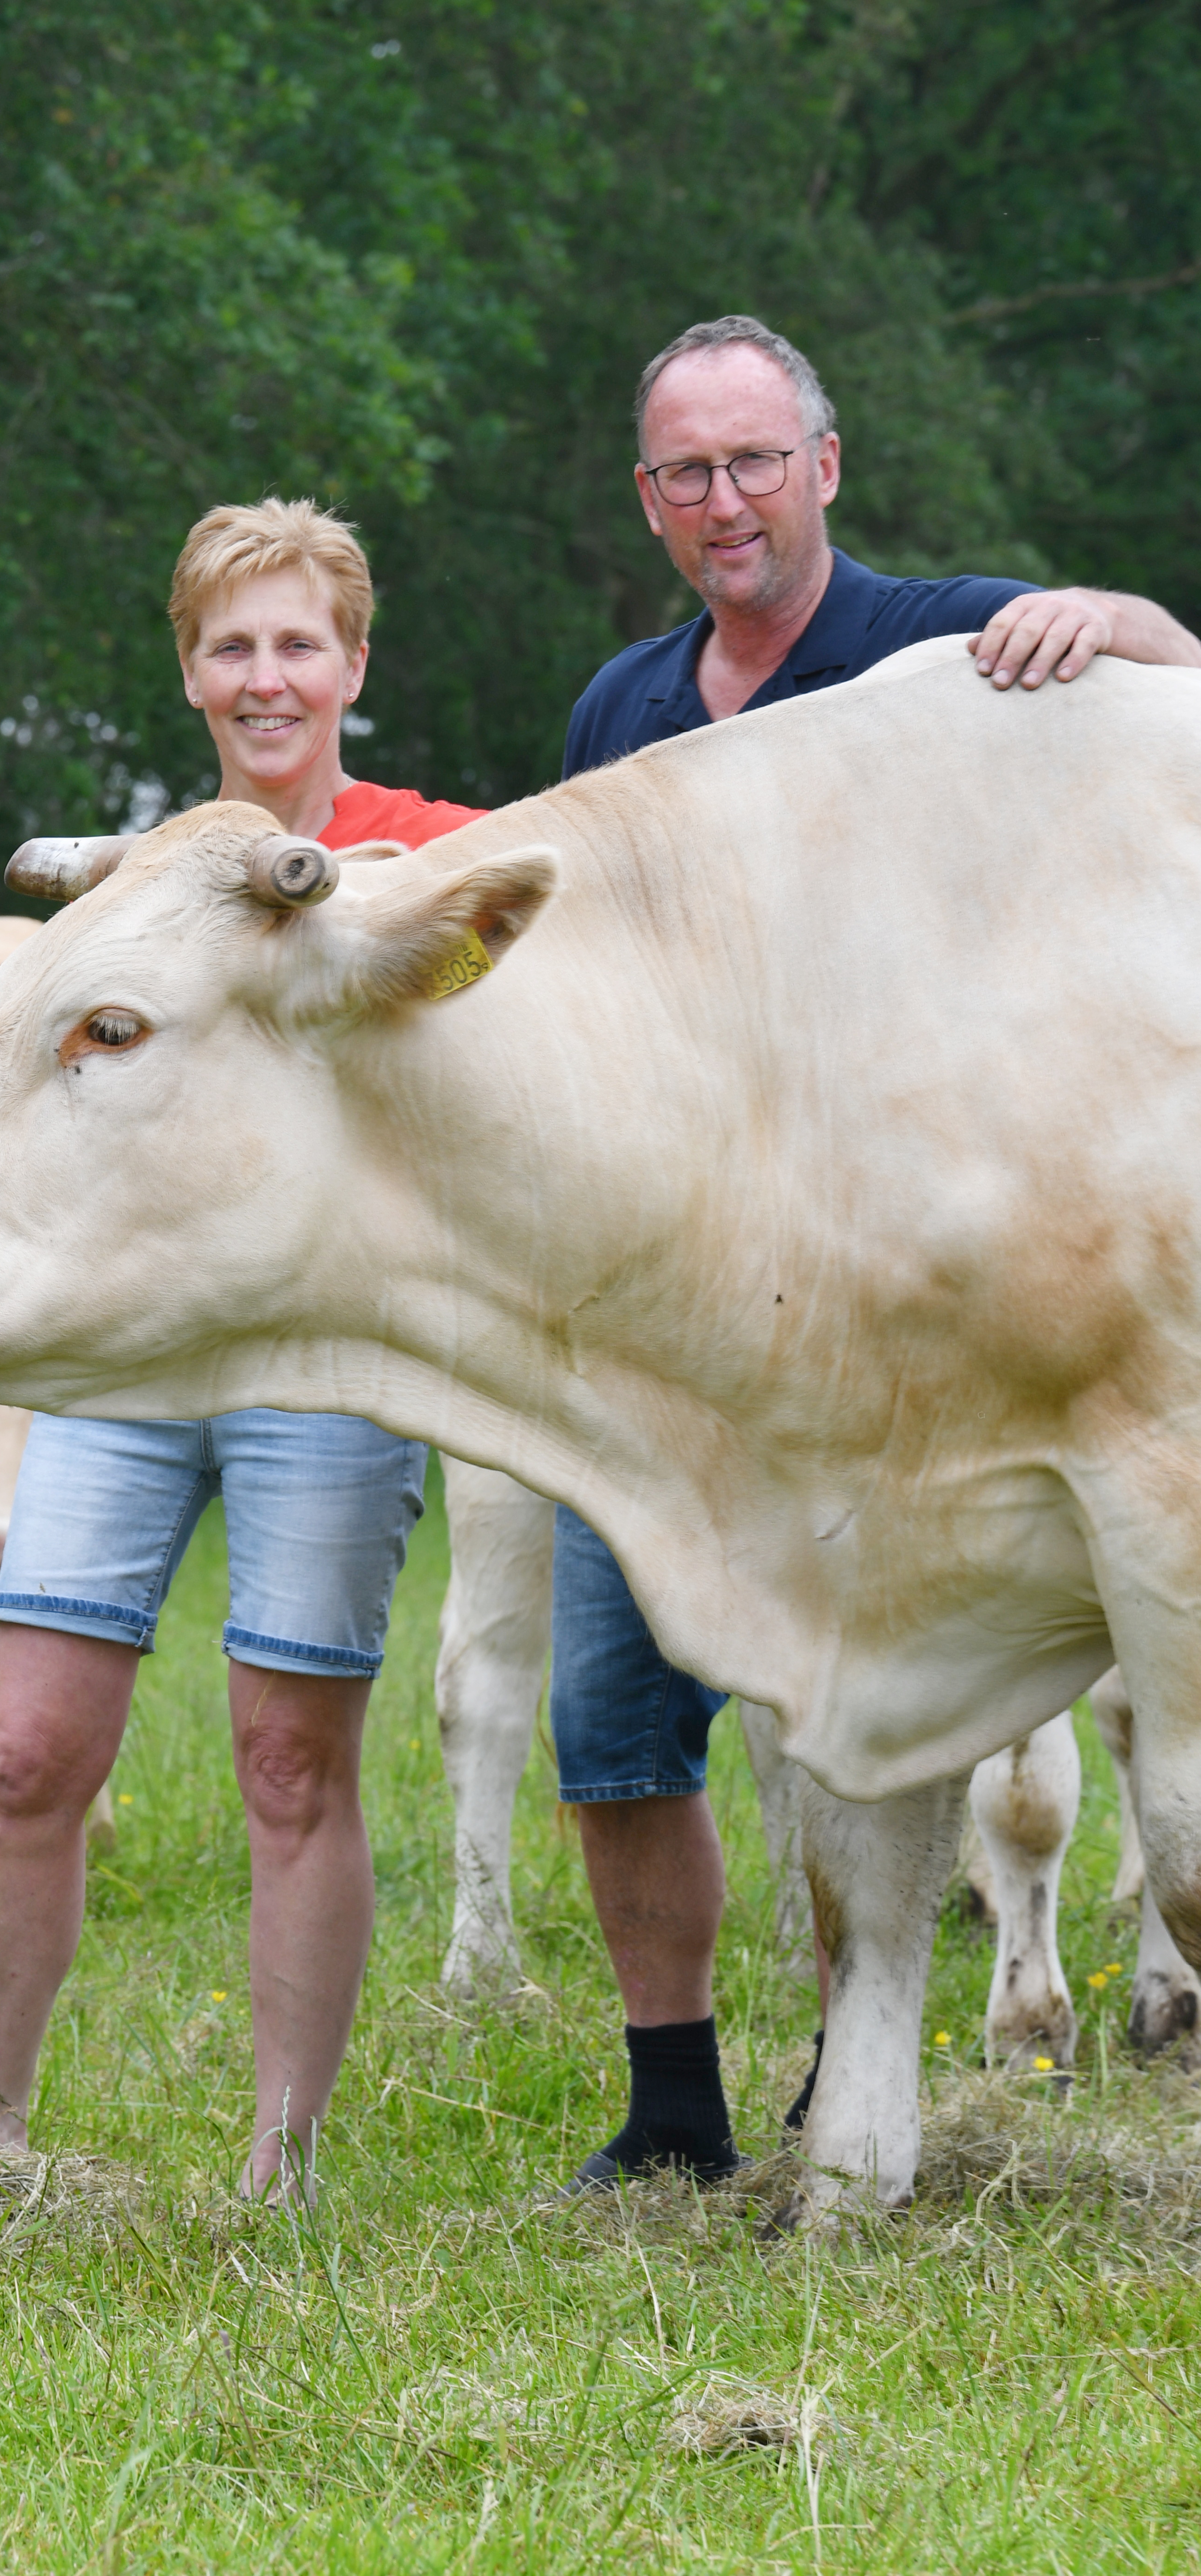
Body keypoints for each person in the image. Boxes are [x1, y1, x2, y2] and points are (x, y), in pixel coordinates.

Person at [557, 312, 1201, 2194]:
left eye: (754, 460)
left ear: (823, 466)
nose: (723, 500)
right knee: (614, 1710)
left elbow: (1175, 685)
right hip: (671, 1284)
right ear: (648, 502)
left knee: (843, 1694)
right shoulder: (622, 714)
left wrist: (1117, 616)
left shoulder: (939, 640)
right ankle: (671, 2097)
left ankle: (858, 2064)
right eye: (685, 472)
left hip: (901, 1293)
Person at [0, 499, 485, 2196]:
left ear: (355, 665)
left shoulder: (432, 861)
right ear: (189, 674)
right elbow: (32, 1143)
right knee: (26, 1755)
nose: (267, 676)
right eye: (233, 646)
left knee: (292, 1761)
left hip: (324, 1370)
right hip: (135, 1370)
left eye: (300, 642)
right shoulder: (137, 890)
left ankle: (280, 2167)